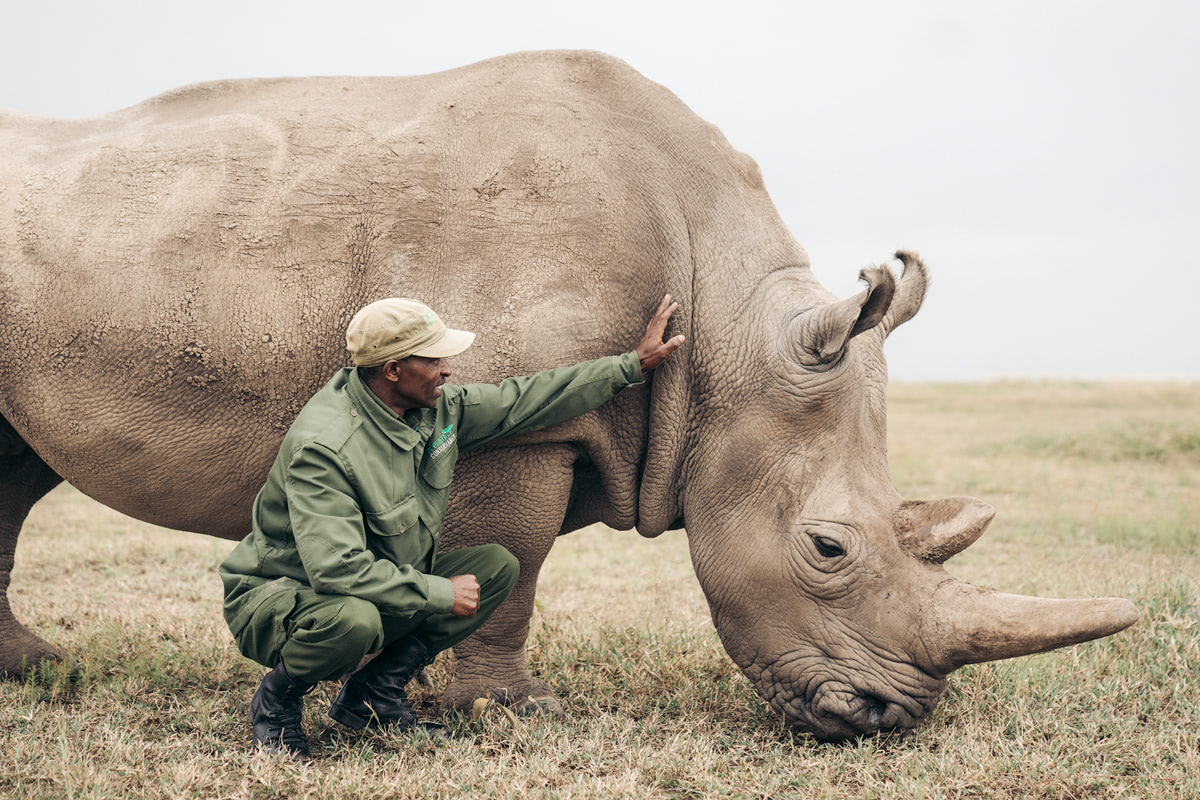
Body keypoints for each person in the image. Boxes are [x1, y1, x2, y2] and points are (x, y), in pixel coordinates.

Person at [218, 294, 684, 759]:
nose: (446, 368)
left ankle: (373, 692)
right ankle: (277, 701)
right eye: (433, 358)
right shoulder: (325, 447)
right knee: (352, 621)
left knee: (496, 567)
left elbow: (525, 399)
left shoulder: (432, 409)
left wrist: (630, 367)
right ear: (393, 369)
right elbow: (337, 571)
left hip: (369, 586)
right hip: (282, 597)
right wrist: (440, 593)